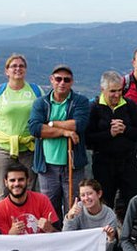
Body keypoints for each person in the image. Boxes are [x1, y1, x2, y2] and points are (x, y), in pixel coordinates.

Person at [28, 64, 91, 216]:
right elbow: (35, 129)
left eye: (66, 80)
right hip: (47, 167)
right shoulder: (40, 103)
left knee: (74, 208)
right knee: (49, 210)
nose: (62, 82)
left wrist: (50, 123)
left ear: (72, 82)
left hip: (73, 165)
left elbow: (78, 124)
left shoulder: (80, 101)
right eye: (58, 79)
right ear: (52, 80)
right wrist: (64, 132)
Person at [0, 54, 43, 202]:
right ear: (6, 71)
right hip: (3, 147)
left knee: (29, 189)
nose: (18, 69)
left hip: (29, 147)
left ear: (26, 70)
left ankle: (29, 222)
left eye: (21, 66)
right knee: (3, 191)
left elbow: (44, 118)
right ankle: (2, 224)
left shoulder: (36, 91)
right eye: (13, 66)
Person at [85, 71, 137, 214]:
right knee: (105, 204)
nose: (117, 95)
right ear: (102, 89)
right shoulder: (94, 108)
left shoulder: (130, 105)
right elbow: (87, 140)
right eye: (112, 91)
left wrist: (125, 129)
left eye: (120, 90)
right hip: (104, 164)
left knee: (135, 202)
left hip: (128, 162)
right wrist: (109, 134)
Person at [62, 178, 122, 251]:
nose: (86, 198)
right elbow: (66, 239)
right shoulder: (78, 209)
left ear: (99, 194)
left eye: (89, 194)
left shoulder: (109, 215)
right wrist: (69, 217)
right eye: (83, 195)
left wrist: (110, 239)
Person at [0, 163, 58, 235]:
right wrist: (10, 235)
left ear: (28, 180)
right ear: (6, 182)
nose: (16, 184)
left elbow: (59, 235)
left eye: (21, 180)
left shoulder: (42, 200)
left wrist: (50, 229)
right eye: (12, 180)